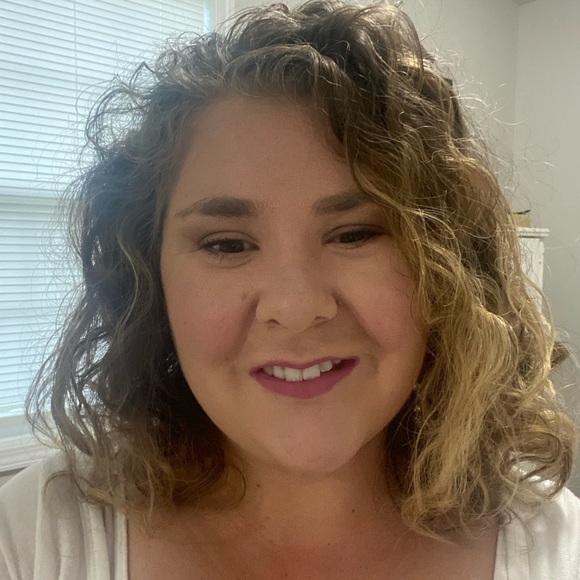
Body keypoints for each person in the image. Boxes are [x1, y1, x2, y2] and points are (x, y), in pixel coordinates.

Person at [1, 1, 579, 578]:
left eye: (354, 234)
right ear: (149, 283)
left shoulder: (554, 548)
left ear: (449, 268)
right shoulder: (33, 536)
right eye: (227, 244)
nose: (297, 307)